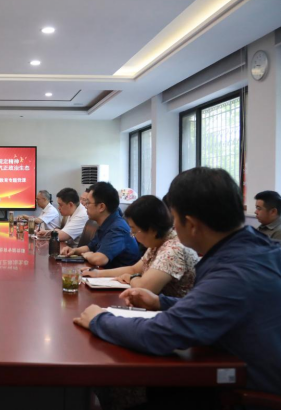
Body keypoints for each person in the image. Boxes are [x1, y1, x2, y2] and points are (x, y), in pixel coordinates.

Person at [74, 168, 281, 404]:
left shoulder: (234, 274)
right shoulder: (252, 250)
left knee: (120, 384)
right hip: (226, 372)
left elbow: (160, 335)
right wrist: (161, 302)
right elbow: (214, 307)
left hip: (242, 395)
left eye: (174, 218)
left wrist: (99, 320)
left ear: (190, 224)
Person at [82, 195, 197, 297]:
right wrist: (98, 273)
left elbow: (144, 287)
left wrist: (131, 278)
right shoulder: (157, 242)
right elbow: (134, 269)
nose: (133, 236)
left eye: (134, 231)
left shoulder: (173, 249)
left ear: (152, 229)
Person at [60, 182, 140, 268]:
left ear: (101, 207)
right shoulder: (105, 223)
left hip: (120, 275)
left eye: (88, 202)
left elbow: (99, 259)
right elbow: (90, 247)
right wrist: (74, 250)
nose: (85, 206)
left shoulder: (117, 228)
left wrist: (87, 255)